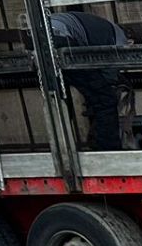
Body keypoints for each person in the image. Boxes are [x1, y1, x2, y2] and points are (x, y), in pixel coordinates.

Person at [47, 10, 129, 151]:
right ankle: (107, 151)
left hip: (37, 36)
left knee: (61, 99)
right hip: (60, 38)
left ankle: (63, 148)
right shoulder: (120, 38)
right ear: (131, 41)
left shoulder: (101, 29)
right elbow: (111, 71)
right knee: (106, 100)